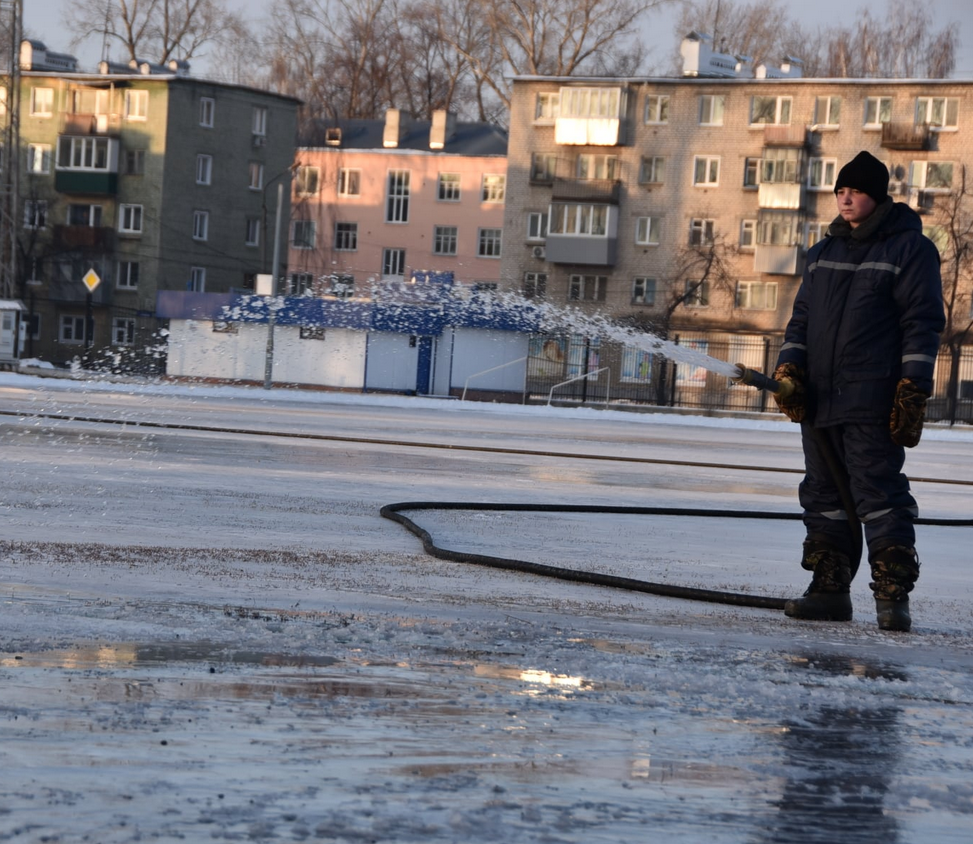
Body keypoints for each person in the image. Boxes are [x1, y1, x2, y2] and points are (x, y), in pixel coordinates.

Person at [772, 150, 945, 632]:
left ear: (877, 196)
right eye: (841, 192)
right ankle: (829, 590)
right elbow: (801, 318)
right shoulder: (823, 252)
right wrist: (791, 368)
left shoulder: (909, 250)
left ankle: (892, 596)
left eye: (856, 192)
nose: (846, 200)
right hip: (821, 401)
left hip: (872, 399)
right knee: (823, 495)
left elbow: (922, 322)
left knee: (879, 494)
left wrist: (913, 388)